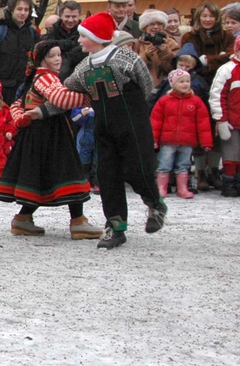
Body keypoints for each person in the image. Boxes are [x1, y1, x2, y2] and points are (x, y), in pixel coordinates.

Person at [64, 12, 166, 249]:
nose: (79, 41)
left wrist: (132, 108)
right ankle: (116, 226)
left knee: (137, 169)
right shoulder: (83, 67)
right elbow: (70, 88)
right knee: (107, 176)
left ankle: (155, 203)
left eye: (83, 36)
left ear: (97, 37)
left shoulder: (126, 59)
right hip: (104, 127)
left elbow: (146, 85)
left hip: (132, 123)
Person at [0, 41, 99, 240]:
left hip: (40, 133)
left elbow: (19, 102)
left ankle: (24, 218)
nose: (57, 59)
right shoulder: (46, 77)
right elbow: (60, 99)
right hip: (50, 133)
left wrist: (20, 117)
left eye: (59, 55)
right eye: (52, 56)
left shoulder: (36, 76)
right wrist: (91, 96)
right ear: (41, 59)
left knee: (40, 176)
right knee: (69, 171)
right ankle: (78, 221)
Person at [151, 68, 212, 200]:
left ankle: (182, 188)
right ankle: (161, 188)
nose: (185, 84)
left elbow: (203, 123)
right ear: (173, 84)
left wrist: (206, 141)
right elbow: (155, 121)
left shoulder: (196, 101)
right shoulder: (164, 101)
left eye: (187, 81)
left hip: (187, 141)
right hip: (167, 141)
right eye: (181, 82)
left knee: (184, 165)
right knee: (164, 165)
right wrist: (153, 139)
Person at [0, 0, 40, 105]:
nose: (23, 13)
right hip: (2, 91)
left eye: (26, 10)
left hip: (25, 89)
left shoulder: (32, 33)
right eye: (19, 9)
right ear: (11, 10)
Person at [209, 34, 240, 197]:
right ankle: (229, 183)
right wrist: (220, 120)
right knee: (231, 154)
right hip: (231, 122)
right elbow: (216, 95)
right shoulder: (227, 70)